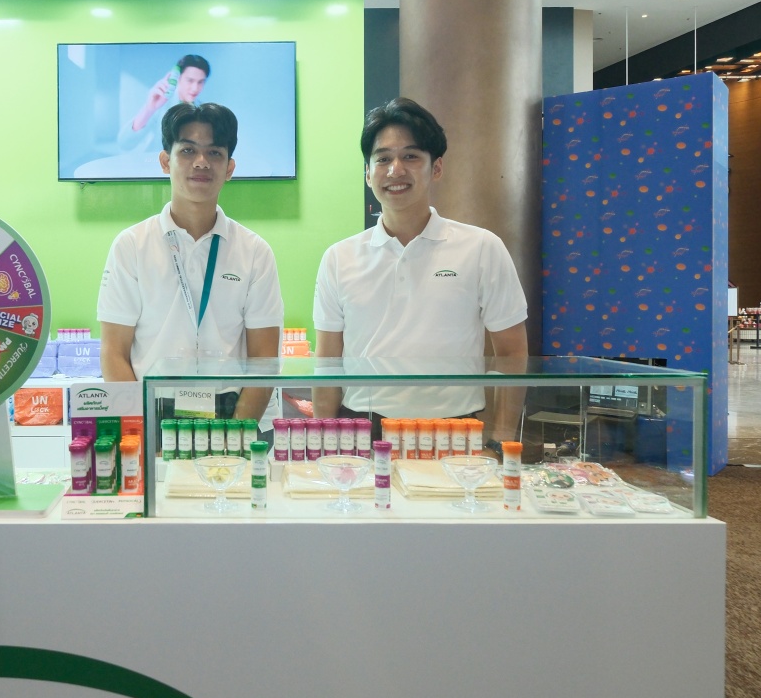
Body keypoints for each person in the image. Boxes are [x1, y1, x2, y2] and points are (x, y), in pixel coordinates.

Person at [311, 98, 529, 446]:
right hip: (363, 429)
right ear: (367, 173)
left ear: (436, 168)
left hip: (455, 431)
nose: (395, 170)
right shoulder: (339, 258)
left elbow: (512, 353)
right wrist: (324, 443)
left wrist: (501, 441)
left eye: (410, 156)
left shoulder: (482, 248)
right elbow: (328, 362)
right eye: (383, 159)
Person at [97, 101, 282, 422]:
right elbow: (114, 353)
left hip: (232, 413)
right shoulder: (131, 246)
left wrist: (234, 435)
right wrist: (141, 429)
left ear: (229, 168)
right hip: (152, 411)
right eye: (187, 151)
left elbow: (264, 359)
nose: (201, 162)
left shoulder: (255, 251)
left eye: (214, 153)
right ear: (165, 162)